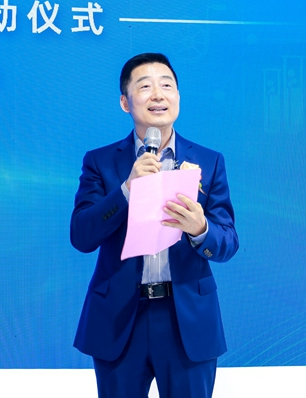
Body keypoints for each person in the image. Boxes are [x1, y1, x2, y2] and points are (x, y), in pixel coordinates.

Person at [70, 53, 239, 398]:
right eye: (145, 87)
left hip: (187, 320)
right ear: (125, 102)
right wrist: (126, 190)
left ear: (178, 96)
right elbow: (82, 235)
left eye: (167, 85)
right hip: (120, 319)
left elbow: (228, 241)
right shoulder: (101, 162)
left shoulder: (209, 161)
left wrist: (200, 229)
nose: (158, 95)